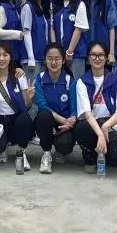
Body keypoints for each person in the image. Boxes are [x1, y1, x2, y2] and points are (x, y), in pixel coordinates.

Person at [74, 41, 117, 173]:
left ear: (106, 58)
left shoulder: (116, 80)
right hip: (91, 126)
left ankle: (104, 153)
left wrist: (105, 126)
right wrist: (100, 134)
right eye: (93, 55)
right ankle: (90, 157)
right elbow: (87, 114)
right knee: (81, 129)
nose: (97, 58)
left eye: (101, 55)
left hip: (110, 125)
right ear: (88, 58)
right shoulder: (82, 82)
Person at [0, 41, 35, 172]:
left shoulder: (18, 76)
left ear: (10, 57)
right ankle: (3, 146)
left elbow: (27, 105)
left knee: (25, 119)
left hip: (16, 120)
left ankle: (21, 153)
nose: (2, 58)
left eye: (5, 55)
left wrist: (29, 97)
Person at [32, 43, 77, 174]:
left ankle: (59, 149)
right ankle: (46, 153)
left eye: (57, 58)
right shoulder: (39, 79)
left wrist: (71, 121)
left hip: (65, 124)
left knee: (64, 145)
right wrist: (63, 120)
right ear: (45, 60)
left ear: (63, 61)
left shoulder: (70, 81)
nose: (53, 62)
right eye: (50, 58)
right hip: (48, 120)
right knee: (43, 115)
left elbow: (74, 109)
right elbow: (42, 105)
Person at [51, 0, 89, 78]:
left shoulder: (79, 4)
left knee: (76, 82)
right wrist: (55, 49)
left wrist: (70, 52)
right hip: (59, 54)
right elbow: (52, 28)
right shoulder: (55, 5)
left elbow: (78, 29)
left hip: (76, 53)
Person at [23, 0, 51, 78]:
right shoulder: (28, 7)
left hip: (43, 57)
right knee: (32, 86)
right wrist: (31, 58)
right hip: (32, 59)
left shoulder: (44, 8)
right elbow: (26, 33)